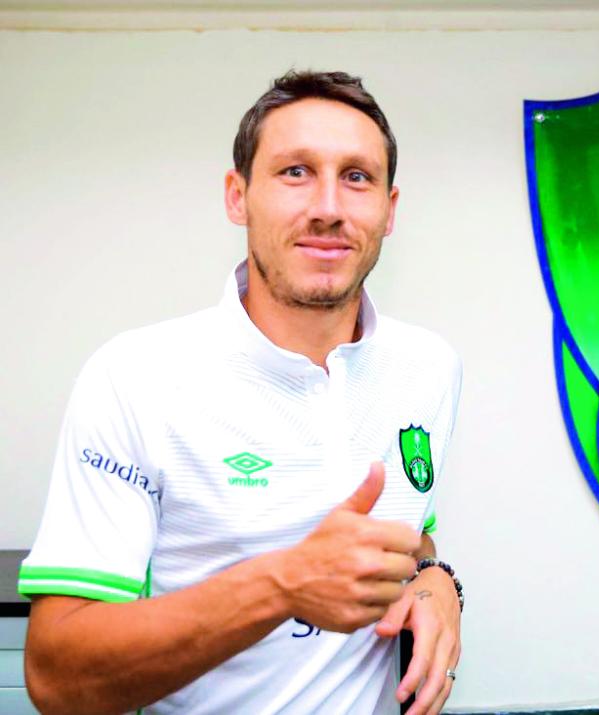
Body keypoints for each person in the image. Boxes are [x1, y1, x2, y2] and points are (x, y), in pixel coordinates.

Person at [18, 70, 463, 715]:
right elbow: (58, 678)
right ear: (238, 196)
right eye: (295, 172)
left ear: (389, 209)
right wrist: (282, 585)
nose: (328, 207)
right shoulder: (134, 377)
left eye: (356, 177)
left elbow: (409, 536)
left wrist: (434, 580)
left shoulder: (430, 369)